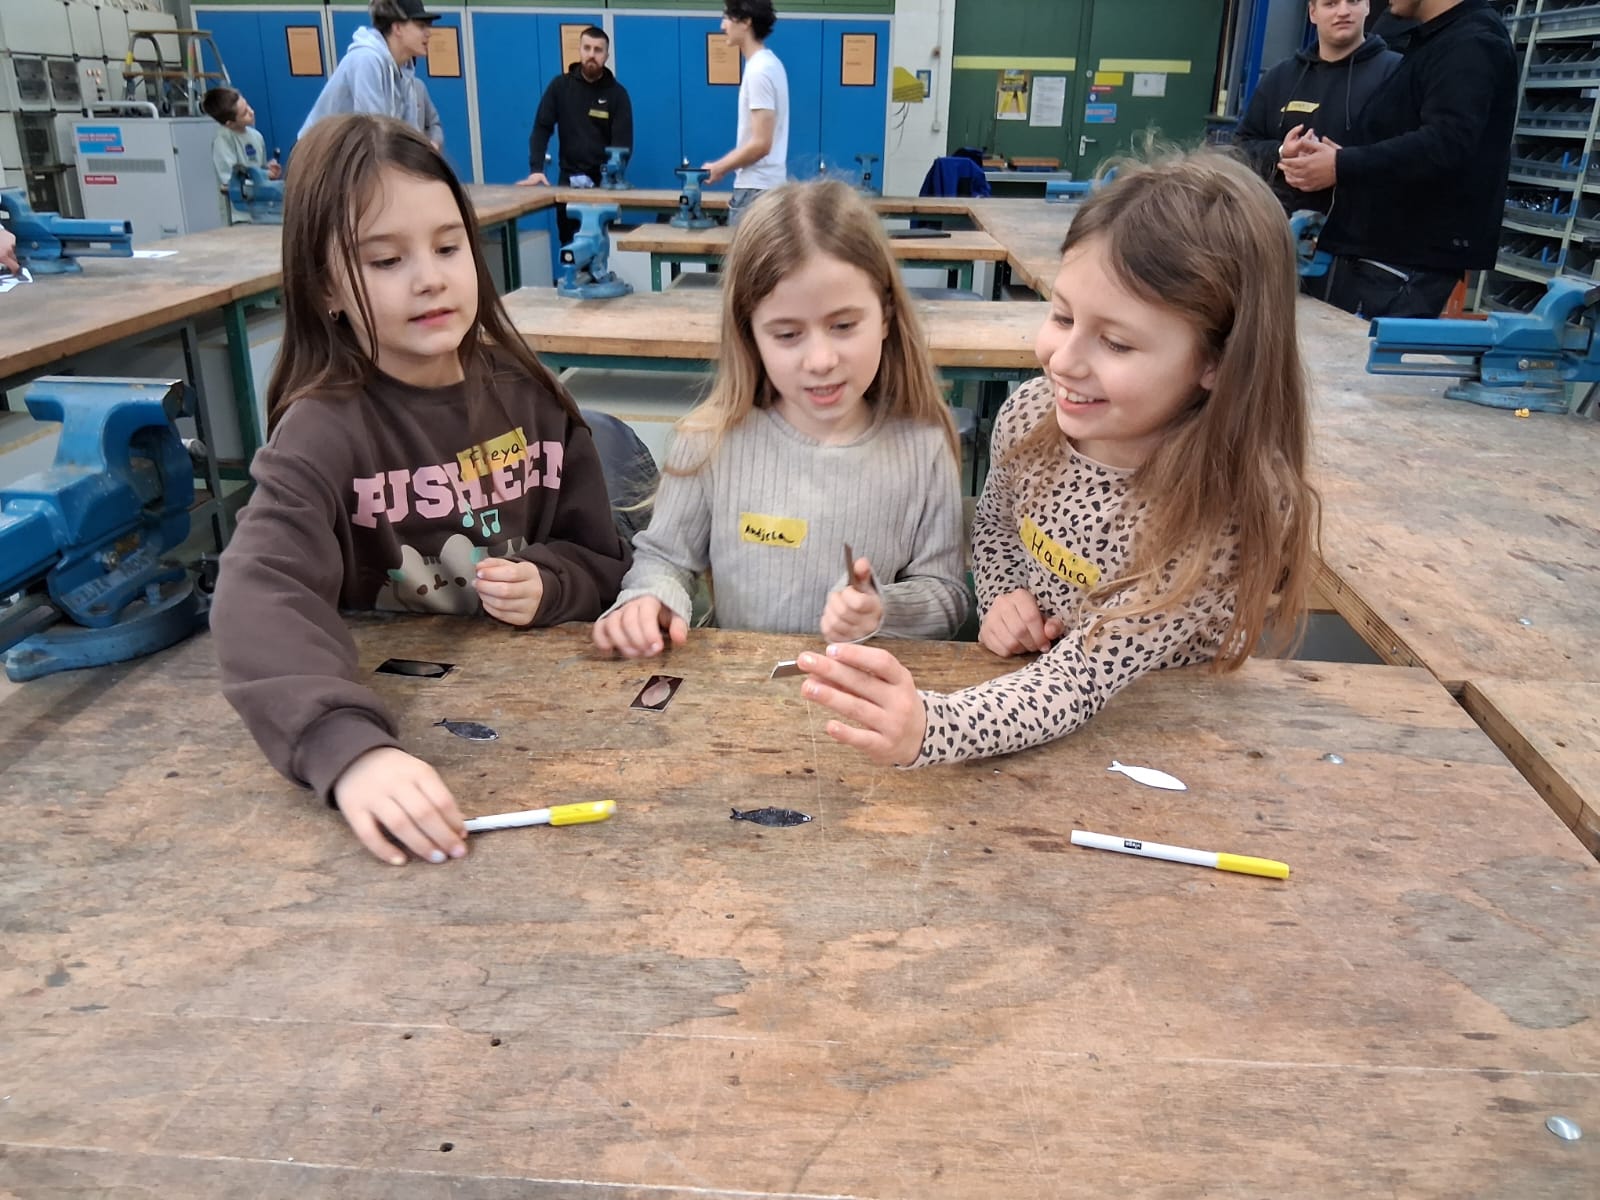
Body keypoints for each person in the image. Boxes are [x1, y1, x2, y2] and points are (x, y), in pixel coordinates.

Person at [795, 150, 1321, 769]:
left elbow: (1084, 675)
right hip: (1031, 717)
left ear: (1217, 362)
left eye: (1117, 342)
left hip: (1162, 738)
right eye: (1062, 315)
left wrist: (933, 727)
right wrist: (1001, 596)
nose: (1062, 360)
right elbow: (994, 526)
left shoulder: (1222, 507)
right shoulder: (1033, 416)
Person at [213, 115, 630, 866]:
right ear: (326, 287)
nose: (430, 277)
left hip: (547, 727)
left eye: (447, 246)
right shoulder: (322, 430)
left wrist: (552, 582)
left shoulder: (532, 399)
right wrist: (349, 750)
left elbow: (600, 558)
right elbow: (258, 595)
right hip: (408, 732)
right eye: (384, 259)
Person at [591, 179, 970, 659]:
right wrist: (650, 601)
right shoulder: (710, 441)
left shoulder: (923, 446)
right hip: (742, 706)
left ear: (887, 316)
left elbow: (947, 595)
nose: (820, 359)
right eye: (788, 334)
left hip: (860, 702)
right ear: (751, 335)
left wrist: (882, 610)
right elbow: (664, 560)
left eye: (844, 325)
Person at [1279, 0, 1516, 317]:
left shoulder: (1472, 42)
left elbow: (1447, 142)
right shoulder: (1434, 40)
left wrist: (1342, 166)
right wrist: (1343, 158)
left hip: (1403, 264)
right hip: (1378, 257)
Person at [1233, 0, 1399, 216]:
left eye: (1353, 1)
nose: (1343, 12)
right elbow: (1239, 150)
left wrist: (1344, 165)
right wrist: (1281, 153)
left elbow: (1414, 157)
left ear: (1367, 6)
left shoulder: (1397, 74)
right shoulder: (1279, 78)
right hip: (1280, 230)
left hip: (1365, 234)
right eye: (1330, 4)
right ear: (1313, 12)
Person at [516, 25, 633, 247]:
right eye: (587, 48)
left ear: (606, 56)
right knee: (569, 249)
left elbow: (623, 146)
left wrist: (611, 177)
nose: (591, 54)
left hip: (603, 188)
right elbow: (541, 128)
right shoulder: (560, 87)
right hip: (568, 184)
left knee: (598, 249)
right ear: (579, 50)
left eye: (598, 50)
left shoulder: (617, 95)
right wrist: (536, 169)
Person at [299, 0, 437, 140]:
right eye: (421, 26)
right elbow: (373, 134)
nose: (428, 33)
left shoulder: (405, 68)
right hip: (315, 154)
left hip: (348, 154)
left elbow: (409, 133)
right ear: (397, 28)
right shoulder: (366, 60)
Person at [703, 0, 788, 226]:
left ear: (746, 21)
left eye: (727, 17)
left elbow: (761, 143)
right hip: (767, 189)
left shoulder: (760, 71)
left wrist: (719, 167)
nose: (723, 26)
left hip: (756, 193)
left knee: (746, 263)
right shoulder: (769, 64)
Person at [201, 87, 282, 224]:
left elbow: (258, 168)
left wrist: (268, 170)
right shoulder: (223, 140)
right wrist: (262, 175)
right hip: (239, 216)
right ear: (230, 123)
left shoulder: (256, 136)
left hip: (260, 211)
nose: (251, 112)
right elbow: (229, 180)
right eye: (244, 113)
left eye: (248, 106)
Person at [412, 76, 444, 149]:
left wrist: (435, 142)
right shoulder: (383, 94)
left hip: (420, 154)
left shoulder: (418, 86)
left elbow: (434, 124)